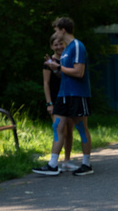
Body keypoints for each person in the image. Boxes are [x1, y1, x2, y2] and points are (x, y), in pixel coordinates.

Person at [33, 17, 94, 176]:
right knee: (58, 127)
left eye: (56, 30)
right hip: (63, 95)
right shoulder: (66, 50)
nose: (55, 33)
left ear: (63, 30)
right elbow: (65, 74)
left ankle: (86, 164)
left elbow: (79, 72)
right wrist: (55, 69)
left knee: (81, 128)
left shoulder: (77, 46)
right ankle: (53, 165)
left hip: (77, 95)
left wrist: (58, 66)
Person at [42, 33, 76, 172]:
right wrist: (49, 103)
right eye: (55, 44)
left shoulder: (68, 60)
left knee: (69, 131)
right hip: (55, 101)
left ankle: (66, 161)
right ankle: (53, 162)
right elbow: (46, 83)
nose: (59, 46)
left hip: (69, 99)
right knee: (59, 130)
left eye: (61, 43)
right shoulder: (48, 62)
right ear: (51, 46)